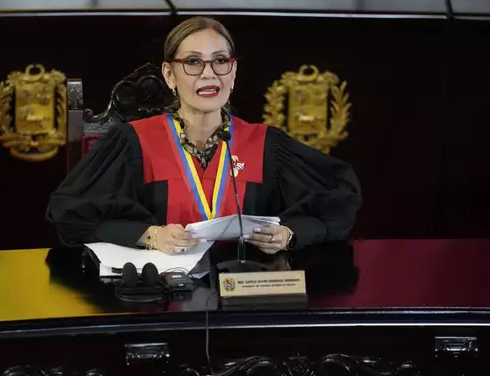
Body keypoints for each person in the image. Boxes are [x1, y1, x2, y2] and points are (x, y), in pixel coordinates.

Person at [46, 17, 361, 256]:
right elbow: (71, 213)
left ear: (233, 72)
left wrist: (289, 233)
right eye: (193, 62)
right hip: (158, 297)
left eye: (220, 61)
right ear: (170, 74)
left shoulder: (267, 144)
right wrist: (148, 235)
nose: (209, 73)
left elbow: (339, 201)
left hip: (246, 292)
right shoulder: (133, 142)